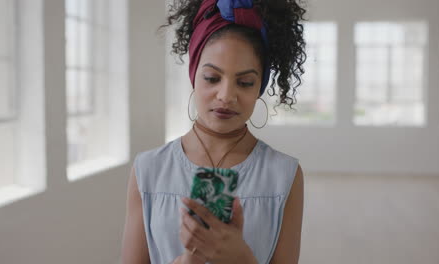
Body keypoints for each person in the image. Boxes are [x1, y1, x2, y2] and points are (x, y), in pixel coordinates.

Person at [121, 0, 307, 263]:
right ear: (194, 74)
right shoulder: (148, 170)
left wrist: (241, 258)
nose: (226, 95)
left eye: (244, 82)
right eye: (212, 78)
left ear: (259, 88)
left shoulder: (284, 175)